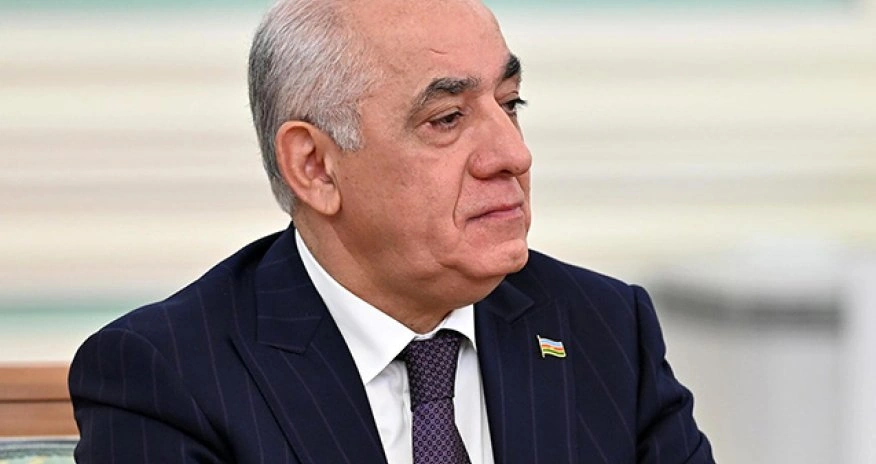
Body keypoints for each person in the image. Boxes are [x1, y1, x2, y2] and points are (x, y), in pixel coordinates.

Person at [68, 0, 715, 462]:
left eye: (509, 103)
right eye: (447, 118)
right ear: (315, 166)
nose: (513, 155)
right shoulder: (168, 378)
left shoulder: (604, 328)